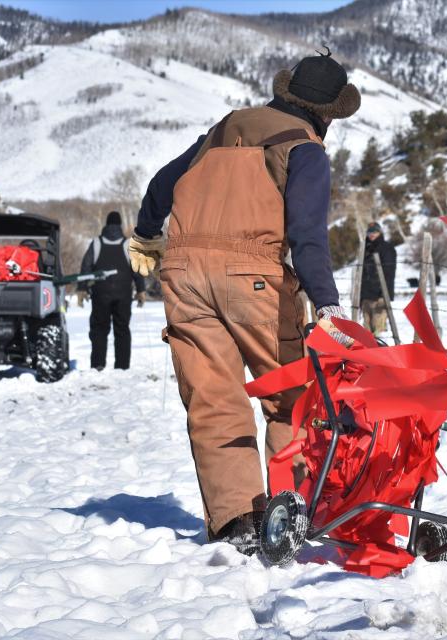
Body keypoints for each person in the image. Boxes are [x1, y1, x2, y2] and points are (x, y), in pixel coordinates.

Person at [127, 50, 360, 554]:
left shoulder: (222, 129)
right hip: (254, 277)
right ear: (328, 114)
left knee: (212, 400)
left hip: (184, 276)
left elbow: (160, 186)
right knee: (291, 400)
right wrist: (327, 303)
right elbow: (307, 235)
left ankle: (237, 522)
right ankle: (288, 513)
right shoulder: (305, 150)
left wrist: (146, 236)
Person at [77, 211, 146, 370]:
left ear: (106, 225)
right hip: (123, 294)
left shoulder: (96, 243)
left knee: (99, 329)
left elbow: (86, 266)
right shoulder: (128, 244)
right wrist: (140, 290)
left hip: (100, 294)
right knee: (122, 329)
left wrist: (82, 289)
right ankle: (122, 367)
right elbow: (137, 268)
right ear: (120, 225)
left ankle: (98, 365)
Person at [359, 222, 396, 335]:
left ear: (380, 232)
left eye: (375, 231)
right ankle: (368, 352)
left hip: (380, 295)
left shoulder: (387, 248)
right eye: (370, 232)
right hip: (366, 295)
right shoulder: (364, 248)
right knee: (366, 331)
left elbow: (389, 273)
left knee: (378, 330)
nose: (372, 234)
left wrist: (383, 294)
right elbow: (362, 273)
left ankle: (380, 351)